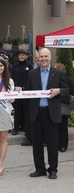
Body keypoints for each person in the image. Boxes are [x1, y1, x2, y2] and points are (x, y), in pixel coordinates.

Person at [26, 48, 69, 180]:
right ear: (38, 58)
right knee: (37, 143)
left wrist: (59, 91)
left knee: (52, 143)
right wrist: (18, 89)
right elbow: (27, 90)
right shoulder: (32, 74)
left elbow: (67, 90)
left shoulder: (57, 73)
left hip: (51, 113)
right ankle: (39, 169)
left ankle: (53, 169)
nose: (43, 59)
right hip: (36, 113)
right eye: (41, 57)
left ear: (50, 58)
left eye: (46, 56)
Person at [10, 50, 33, 136]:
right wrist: (14, 87)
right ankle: (16, 128)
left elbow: (30, 79)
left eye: (23, 55)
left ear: (26, 56)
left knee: (25, 110)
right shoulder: (14, 66)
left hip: (25, 92)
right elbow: (11, 78)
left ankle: (25, 128)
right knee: (17, 110)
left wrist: (24, 88)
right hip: (16, 92)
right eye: (20, 55)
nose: (21, 57)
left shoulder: (29, 66)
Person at [53, 63, 74, 152]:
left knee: (62, 127)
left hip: (62, 105)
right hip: (54, 105)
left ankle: (63, 145)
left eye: (54, 68)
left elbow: (71, 91)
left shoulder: (67, 80)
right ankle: (57, 144)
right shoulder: (53, 79)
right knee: (55, 127)